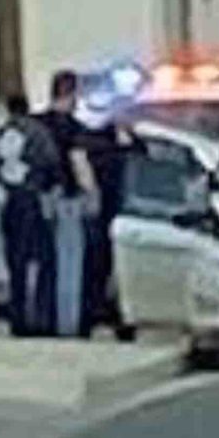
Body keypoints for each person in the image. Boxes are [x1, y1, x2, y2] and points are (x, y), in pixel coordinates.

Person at [0, 93, 60, 336]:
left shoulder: (0, 135)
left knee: (16, 263)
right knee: (44, 262)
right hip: (33, 200)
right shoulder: (38, 133)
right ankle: (42, 319)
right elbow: (51, 163)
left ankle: (17, 320)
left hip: (9, 202)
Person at [35, 70, 98, 337]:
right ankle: (67, 325)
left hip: (37, 201)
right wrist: (93, 193)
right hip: (67, 202)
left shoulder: (35, 124)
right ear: (71, 94)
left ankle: (41, 318)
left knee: (42, 266)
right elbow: (79, 162)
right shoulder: (71, 128)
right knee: (69, 266)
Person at [75, 100, 134, 341]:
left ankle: (103, 318)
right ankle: (92, 318)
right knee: (98, 269)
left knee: (108, 271)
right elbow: (81, 167)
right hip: (103, 215)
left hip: (117, 217)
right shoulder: (97, 144)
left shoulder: (123, 145)